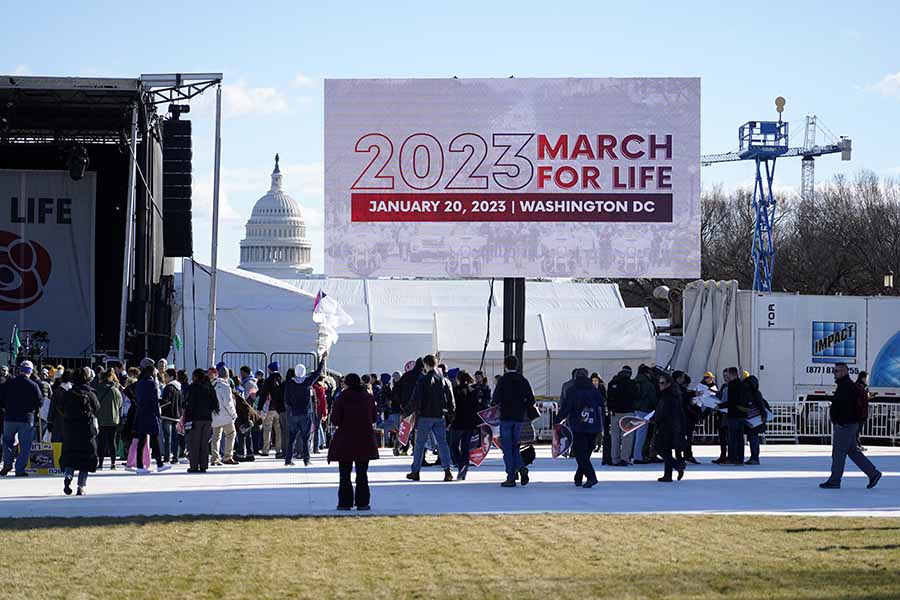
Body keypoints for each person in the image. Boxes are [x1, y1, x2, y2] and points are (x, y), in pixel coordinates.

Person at [820, 363, 882, 489]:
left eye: (836, 371)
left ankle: (834, 480)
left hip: (845, 425)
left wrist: (839, 421)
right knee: (852, 451)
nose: (834, 373)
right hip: (851, 424)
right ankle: (873, 473)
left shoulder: (846, 386)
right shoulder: (847, 385)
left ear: (843, 371)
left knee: (838, 453)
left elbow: (845, 407)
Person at [328, 373, 379, 511]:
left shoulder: (343, 397)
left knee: (345, 474)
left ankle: (345, 503)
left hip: (346, 440)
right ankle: (363, 502)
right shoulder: (368, 397)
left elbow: (335, 419)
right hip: (365, 439)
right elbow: (374, 417)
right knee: (362, 473)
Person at [406, 354, 455, 482]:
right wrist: (451, 416)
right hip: (440, 416)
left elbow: (415, 400)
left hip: (425, 416)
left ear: (426, 365)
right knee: (442, 444)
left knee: (420, 444)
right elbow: (451, 401)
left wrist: (406, 412)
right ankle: (448, 471)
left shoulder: (422, 381)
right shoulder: (445, 380)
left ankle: (415, 471)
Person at [557, 368, 605, 488]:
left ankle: (591, 476)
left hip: (578, 426)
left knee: (580, 454)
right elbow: (601, 405)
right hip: (593, 425)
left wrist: (557, 419)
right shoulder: (594, 390)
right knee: (586, 453)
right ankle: (578, 476)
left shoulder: (572, 390)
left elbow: (566, 407)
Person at [492, 355, 536, 488]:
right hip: (519, 417)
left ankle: (511, 476)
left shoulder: (503, 380)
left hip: (505, 416)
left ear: (505, 365)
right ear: (516, 366)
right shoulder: (523, 380)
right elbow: (532, 400)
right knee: (514, 446)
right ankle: (521, 468)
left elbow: (495, 399)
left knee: (507, 447)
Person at [59, 367, 100, 496]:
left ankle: (68, 476)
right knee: (85, 459)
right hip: (86, 430)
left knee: (71, 456)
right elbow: (97, 408)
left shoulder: (68, 393)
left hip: (70, 429)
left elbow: (61, 407)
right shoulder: (90, 393)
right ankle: (81, 486)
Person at [283, 353, 327, 466]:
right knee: (305, 437)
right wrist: (322, 360)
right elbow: (317, 373)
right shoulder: (307, 382)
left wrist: (290, 408)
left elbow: (286, 399)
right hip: (305, 413)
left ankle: (288, 460)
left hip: (293, 413)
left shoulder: (289, 383)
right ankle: (306, 460)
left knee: (291, 437)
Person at [0, 361, 43, 477]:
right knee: (25, 445)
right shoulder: (33, 385)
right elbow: (40, 401)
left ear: (19, 370)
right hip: (26, 418)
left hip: (10, 417)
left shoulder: (9, 383)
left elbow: (1, 397)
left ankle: (7, 463)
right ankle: (19, 469)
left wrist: (5, 407)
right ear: (30, 371)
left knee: (7, 441)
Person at [133, 360, 170, 474]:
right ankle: (159, 463)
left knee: (142, 440)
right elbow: (154, 400)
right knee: (154, 438)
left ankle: (140, 465)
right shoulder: (151, 383)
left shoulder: (139, 382)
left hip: (141, 413)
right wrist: (157, 414)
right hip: (150, 414)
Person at [653, 372, 686, 482]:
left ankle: (677, 466)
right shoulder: (673, 395)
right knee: (666, 450)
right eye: (659, 383)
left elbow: (663, 412)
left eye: (662, 383)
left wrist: (654, 419)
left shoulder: (668, 396)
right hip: (672, 426)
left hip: (666, 427)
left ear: (669, 384)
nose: (660, 385)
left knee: (659, 448)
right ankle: (668, 475)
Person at [184, 368, 218, 473]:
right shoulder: (209, 387)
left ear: (196, 376)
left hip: (195, 419)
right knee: (204, 444)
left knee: (194, 444)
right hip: (207, 419)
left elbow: (189, 403)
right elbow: (215, 404)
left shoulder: (193, 387)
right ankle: (204, 465)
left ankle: (194, 466)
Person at [449, 371, 479, 480]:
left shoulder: (455, 391)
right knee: (465, 446)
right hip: (470, 423)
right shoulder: (473, 391)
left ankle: (461, 464)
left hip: (458, 422)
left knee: (453, 445)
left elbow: (452, 406)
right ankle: (465, 465)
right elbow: (477, 407)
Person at [606, 366, 638, 466]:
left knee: (615, 437)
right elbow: (636, 395)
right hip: (628, 413)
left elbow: (608, 397)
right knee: (627, 437)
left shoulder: (612, 382)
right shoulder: (632, 383)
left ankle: (615, 459)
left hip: (615, 413)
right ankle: (625, 458)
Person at [718, 367, 749, 466]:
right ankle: (740, 458)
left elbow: (732, 401)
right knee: (740, 438)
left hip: (733, 414)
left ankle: (732, 458)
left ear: (731, 374)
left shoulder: (732, 385)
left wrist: (720, 405)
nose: (726, 378)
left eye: (727, 375)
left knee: (732, 438)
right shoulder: (743, 384)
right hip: (742, 414)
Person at [95, 369, 123, 470]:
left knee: (101, 442)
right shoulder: (116, 390)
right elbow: (120, 405)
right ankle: (113, 463)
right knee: (112, 442)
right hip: (114, 419)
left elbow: (96, 404)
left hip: (101, 420)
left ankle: (100, 463)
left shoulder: (99, 389)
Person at [211, 366, 238, 466]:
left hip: (214, 415)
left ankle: (215, 458)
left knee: (216, 437)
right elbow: (228, 403)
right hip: (225, 416)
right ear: (227, 376)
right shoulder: (225, 386)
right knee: (231, 434)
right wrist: (234, 414)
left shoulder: (212, 385)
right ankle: (227, 456)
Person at [257, 361, 285, 458]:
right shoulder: (282, 380)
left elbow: (263, 395)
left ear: (270, 369)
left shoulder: (268, 380)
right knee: (278, 430)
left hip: (270, 409)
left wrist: (259, 408)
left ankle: (265, 450)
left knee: (267, 429)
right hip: (280, 409)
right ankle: (279, 450)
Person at [633, 365, 657, 464]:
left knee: (633, 435)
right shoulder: (648, 384)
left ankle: (631, 455)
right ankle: (638, 456)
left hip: (633, 410)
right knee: (641, 436)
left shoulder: (634, 382)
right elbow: (653, 398)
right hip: (644, 410)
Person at [743, 375, 769, 465]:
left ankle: (754, 457)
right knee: (753, 438)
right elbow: (761, 404)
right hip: (756, 418)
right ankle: (754, 457)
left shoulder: (750, 393)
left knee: (753, 438)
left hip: (753, 418)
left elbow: (760, 404)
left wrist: (763, 415)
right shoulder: (756, 392)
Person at [160, 368, 182, 464]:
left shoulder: (168, 387)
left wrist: (158, 402)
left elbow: (166, 401)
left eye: (166, 376)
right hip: (176, 415)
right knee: (175, 438)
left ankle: (166, 457)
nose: (164, 378)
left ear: (171, 377)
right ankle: (175, 457)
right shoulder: (179, 388)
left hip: (167, 415)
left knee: (167, 437)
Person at [46, 369, 72, 443]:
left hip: (58, 420)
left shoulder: (57, 391)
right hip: (70, 421)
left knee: (57, 442)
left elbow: (52, 407)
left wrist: (50, 421)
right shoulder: (73, 391)